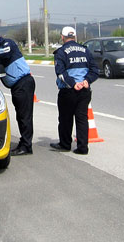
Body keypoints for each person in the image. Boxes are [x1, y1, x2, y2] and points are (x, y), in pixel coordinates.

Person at [50, 26, 99, 155]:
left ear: (62, 37)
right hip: (84, 90)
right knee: (82, 118)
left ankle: (65, 144)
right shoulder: (85, 50)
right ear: (75, 36)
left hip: (68, 91)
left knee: (65, 119)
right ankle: (83, 147)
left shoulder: (61, 52)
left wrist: (73, 84)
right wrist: (87, 81)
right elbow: (95, 70)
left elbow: (60, 73)